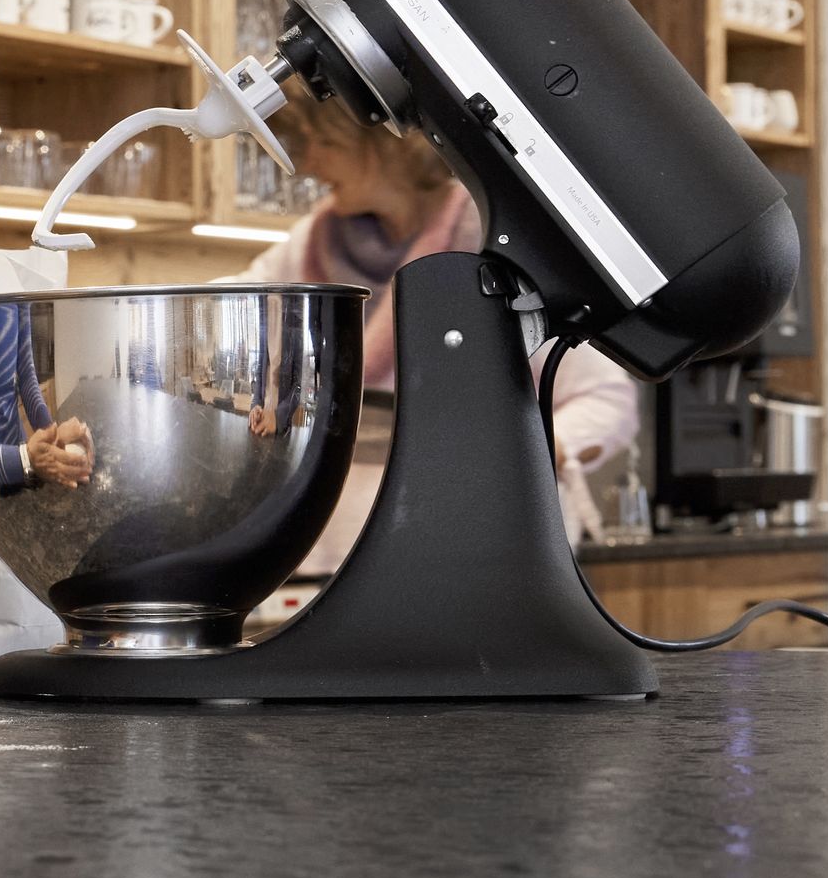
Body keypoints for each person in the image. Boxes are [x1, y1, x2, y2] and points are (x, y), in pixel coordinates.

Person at [242, 89, 641, 575]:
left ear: (380, 142)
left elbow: (605, 399)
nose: (303, 164)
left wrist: (530, 450)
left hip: (484, 545)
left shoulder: (497, 244)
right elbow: (239, 302)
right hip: (333, 556)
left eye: (318, 142)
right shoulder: (310, 246)